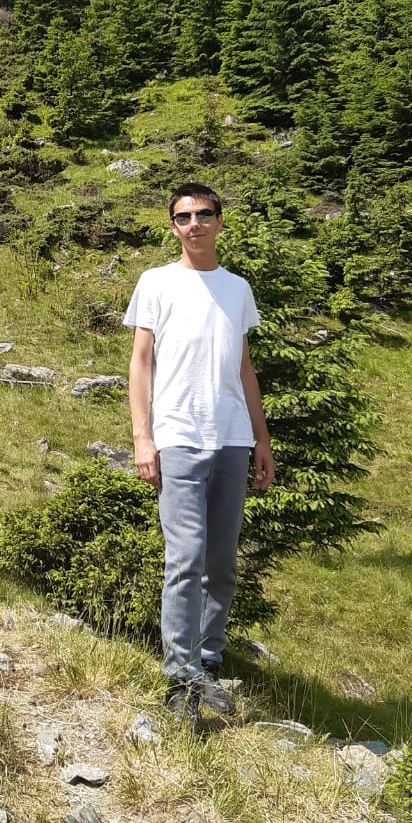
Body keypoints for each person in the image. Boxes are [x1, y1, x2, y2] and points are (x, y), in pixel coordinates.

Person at [124, 183, 275, 727]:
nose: (195, 224)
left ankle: (208, 663)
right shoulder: (156, 282)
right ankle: (179, 676)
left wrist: (261, 438)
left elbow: (244, 368)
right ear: (173, 226)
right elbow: (141, 363)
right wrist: (143, 438)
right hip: (178, 438)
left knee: (221, 562)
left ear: (219, 221)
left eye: (204, 214)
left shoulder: (237, 289)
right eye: (184, 216)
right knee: (185, 559)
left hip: (231, 439)